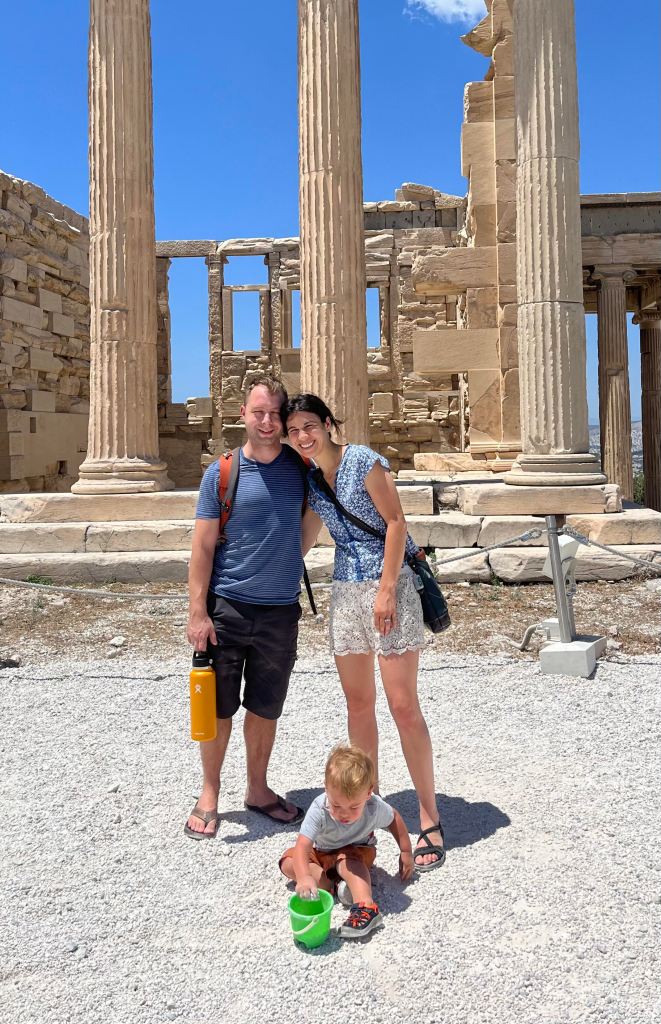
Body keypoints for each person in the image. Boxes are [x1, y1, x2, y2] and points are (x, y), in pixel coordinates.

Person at [283, 393, 446, 871]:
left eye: (309, 426)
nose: (302, 437)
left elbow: (396, 523)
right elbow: (306, 536)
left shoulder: (363, 461)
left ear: (328, 424)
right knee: (358, 705)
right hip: (346, 593)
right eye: (294, 431)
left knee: (403, 705)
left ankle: (430, 817)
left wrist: (387, 590)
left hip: (387, 588)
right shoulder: (313, 479)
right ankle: (363, 811)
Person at [184, 376, 309, 839]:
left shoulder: (302, 469)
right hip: (228, 607)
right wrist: (197, 612)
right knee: (219, 708)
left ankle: (257, 789)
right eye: (259, 412)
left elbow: (314, 518)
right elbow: (202, 547)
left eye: (275, 414)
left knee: (265, 707)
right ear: (243, 414)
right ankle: (209, 792)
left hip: (280, 610)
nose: (267, 422)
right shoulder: (220, 473)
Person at [279, 745, 413, 938]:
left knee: (347, 860)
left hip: (358, 851)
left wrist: (406, 851)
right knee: (288, 861)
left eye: (354, 807)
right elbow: (303, 846)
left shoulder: (373, 807)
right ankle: (334, 885)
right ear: (326, 788)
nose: (344, 814)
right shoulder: (319, 808)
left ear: (368, 793)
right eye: (336, 805)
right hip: (324, 853)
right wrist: (303, 876)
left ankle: (366, 907)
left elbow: (394, 819)